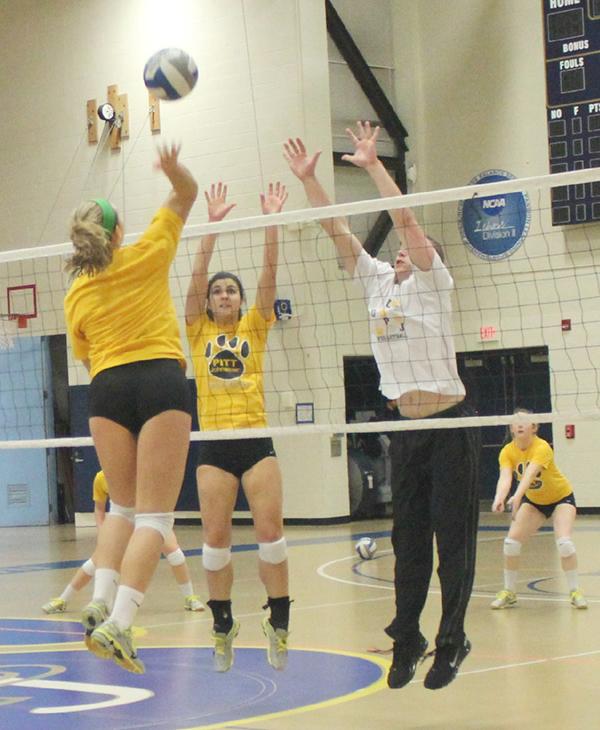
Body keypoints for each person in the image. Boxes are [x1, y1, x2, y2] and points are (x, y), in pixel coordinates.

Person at [284, 122, 480, 690]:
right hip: (408, 430)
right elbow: (337, 230)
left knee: (453, 542)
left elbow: (408, 220)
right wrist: (310, 181)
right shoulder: (377, 285)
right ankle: (409, 636)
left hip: (451, 426)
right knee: (408, 543)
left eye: (409, 251)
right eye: (395, 252)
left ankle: (452, 639)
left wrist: (372, 165)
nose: (399, 253)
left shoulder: (432, 281)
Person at [63, 143, 197, 673]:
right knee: (156, 516)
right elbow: (187, 194)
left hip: (106, 389)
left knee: (121, 507)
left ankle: (99, 597)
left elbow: (85, 352)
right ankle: (119, 622)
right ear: (119, 233)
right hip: (160, 380)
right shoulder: (147, 252)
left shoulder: (77, 291)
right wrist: (170, 169)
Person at [185, 181, 291, 672]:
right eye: (218, 291)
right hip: (213, 446)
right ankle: (223, 624)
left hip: (254, 439)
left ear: (241, 300)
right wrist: (210, 228)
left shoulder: (253, 326)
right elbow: (196, 275)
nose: (224, 294)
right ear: (209, 302)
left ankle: (280, 622)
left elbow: (269, 276)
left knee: (271, 533)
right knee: (215, 539)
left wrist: (270, 222)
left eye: (232, 290)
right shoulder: (197, 328)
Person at [42, 470, 204, 615]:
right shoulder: (101, 478)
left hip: (150, 519)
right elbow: (99, 509)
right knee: (94, 562)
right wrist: (104, 533)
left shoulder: (145, 472)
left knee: (175, 554)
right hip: (123, 522)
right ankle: (63, 599)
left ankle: (190, 597)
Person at [491, 409, 587, 610]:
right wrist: (499, 498)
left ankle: (575, 591)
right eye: (515, 422)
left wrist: (517, 497)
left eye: (525, 422)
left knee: (564, 543)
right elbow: (505, 477)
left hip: (561, 498)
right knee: (510, 543)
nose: (519, 425)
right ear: (510, 427)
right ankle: (509, 592)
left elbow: (529, 474)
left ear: (534, 427)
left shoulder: (542, 447)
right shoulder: (507, 451)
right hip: (535, 502)